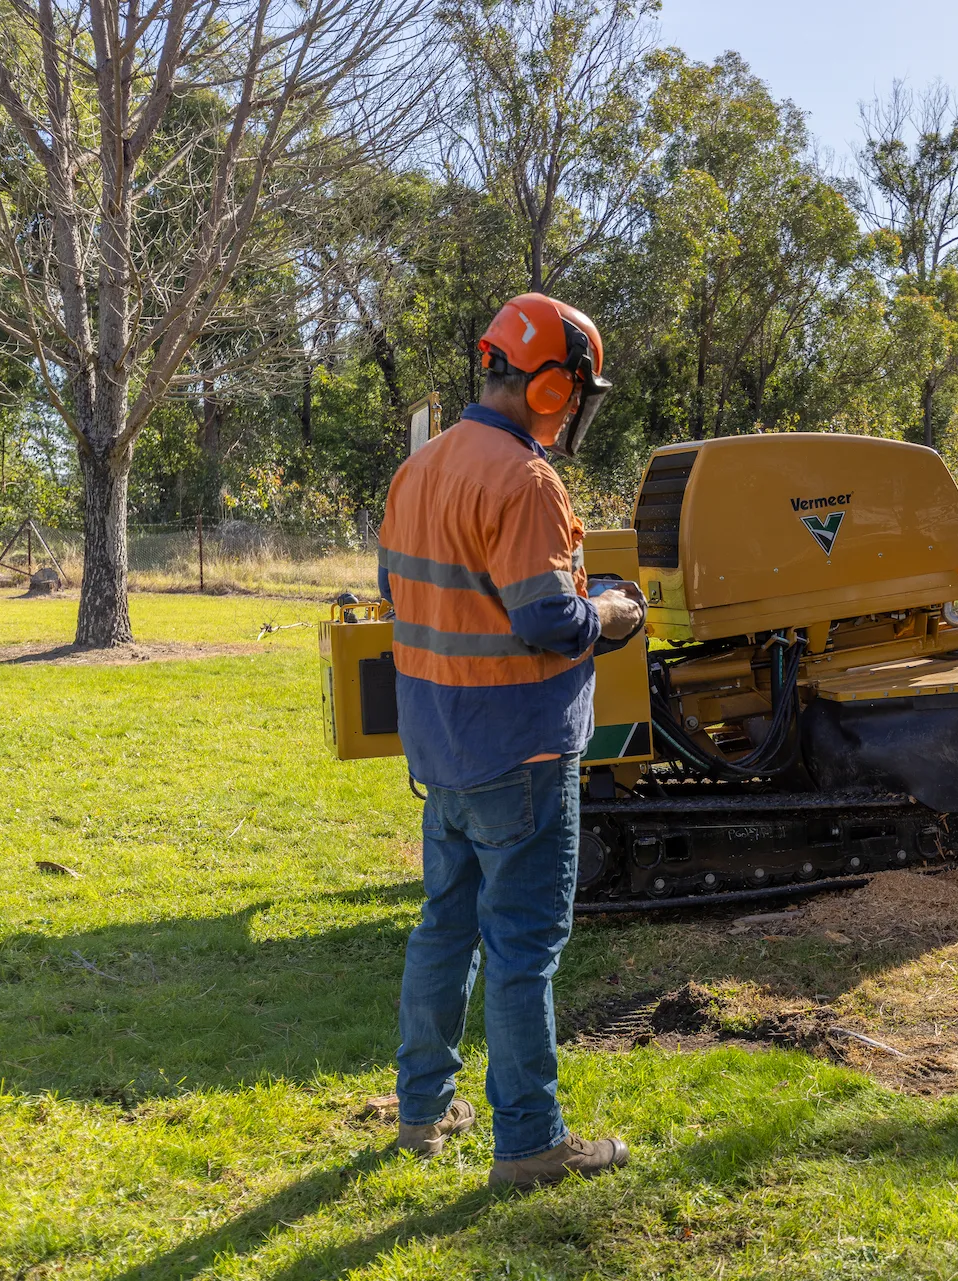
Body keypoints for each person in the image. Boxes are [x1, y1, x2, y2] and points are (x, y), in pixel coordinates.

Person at [376, 293, 647, 1191]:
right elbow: (543, 619)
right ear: (545, 385)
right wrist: (605, 610)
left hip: (443, 747)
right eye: (573, 390)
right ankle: (530, 1140)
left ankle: (421, 1113)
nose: (573, 408)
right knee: (523, 949)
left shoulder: (421, 470)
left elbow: (414, 589)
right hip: (522, 752)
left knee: (444, 928)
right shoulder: (525, 481)